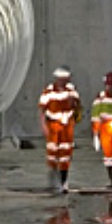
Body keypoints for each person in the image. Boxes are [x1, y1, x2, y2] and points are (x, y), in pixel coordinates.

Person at [39, 65, 82, 193]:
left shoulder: (71, 90)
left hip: (67, 126)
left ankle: (63, 183)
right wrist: (43, 126)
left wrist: (74, 115)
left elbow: (77, 106)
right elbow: (42, 109)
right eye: (63, 79)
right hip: (53, 126)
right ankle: (53, 179)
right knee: (53, 155)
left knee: (65, 155)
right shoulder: (49, 91)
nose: (65, 81)